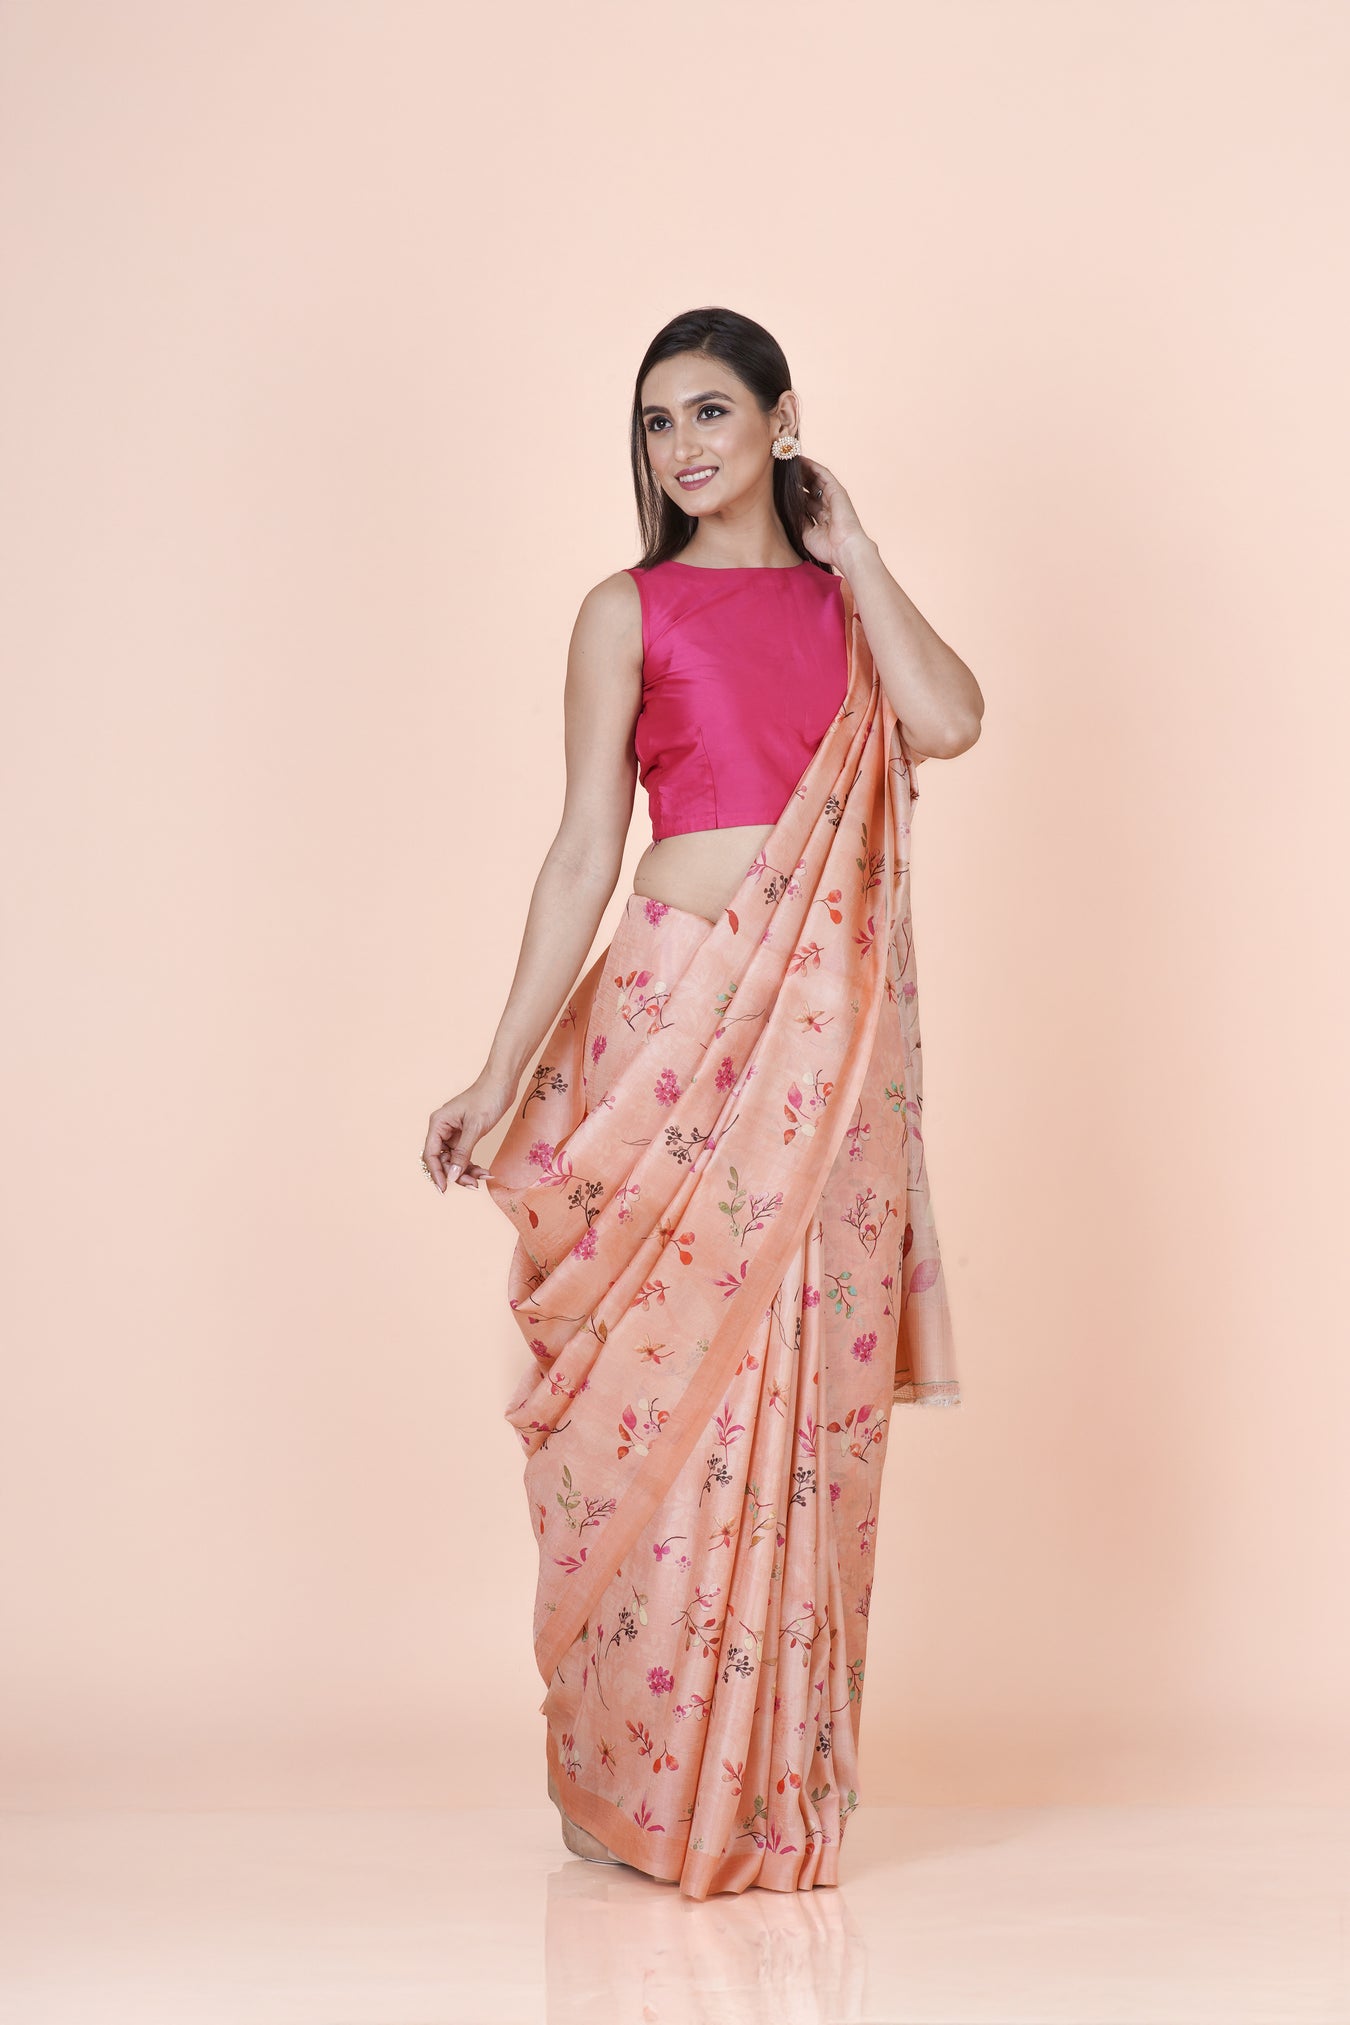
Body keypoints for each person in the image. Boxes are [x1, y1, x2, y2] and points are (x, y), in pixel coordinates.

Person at [421, 306, 983, 1898]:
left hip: (827, 1044)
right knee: (657, 1398)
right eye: (656, 421)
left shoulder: (846, 606)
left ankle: (764, 1781)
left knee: (796, 1403)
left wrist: (856, 552)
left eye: (712, 411)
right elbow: (582, 849)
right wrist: (501, 1065)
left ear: (779, 418)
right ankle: (638, 1772)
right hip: (674, 1023)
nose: (681, 445)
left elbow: (948, 720)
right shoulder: (625, 609)